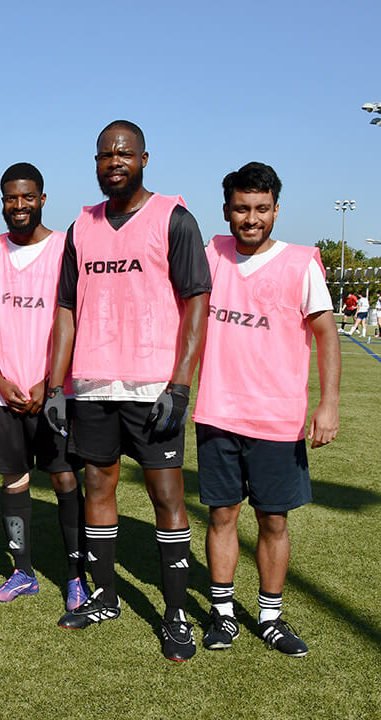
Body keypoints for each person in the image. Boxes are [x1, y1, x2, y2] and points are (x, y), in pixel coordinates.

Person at [46, 121, 211, 661]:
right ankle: (107, 596)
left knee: (167, 497)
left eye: (124, 153)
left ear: (144, 157)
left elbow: (196, 304)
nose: (114, 162)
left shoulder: (175, 218)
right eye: (104, 155)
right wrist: (56, 386)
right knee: (98, 488)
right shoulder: (81, 226)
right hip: (93, 385)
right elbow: (67, 309)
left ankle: (175, 613)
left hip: (153, 387)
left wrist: (180, 386)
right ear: (95, 162)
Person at [195, 162, 339, 657]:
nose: (250, 218)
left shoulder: (300, 263)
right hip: (217, 413)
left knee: (273, 521)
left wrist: (329, 404)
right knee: (221, 517)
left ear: (276, 209)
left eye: (260, 208)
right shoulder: (210, 253)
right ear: (227, 210)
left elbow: (325, 334)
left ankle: (271, 617)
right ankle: (223, 613)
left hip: (278, 419)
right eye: (241, 208)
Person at [0, 163, 88, 610]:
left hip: (56, 392)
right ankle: (22, 571)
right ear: (2, 201)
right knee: (14, 480)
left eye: (27, 197)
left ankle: (76, 575)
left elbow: (76, 322)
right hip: (3, 394)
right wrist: (0, 382)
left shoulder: (65, 250)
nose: (18, 206)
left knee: (63, 477)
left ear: (42, 199)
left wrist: (50, 381)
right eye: (10, 198)